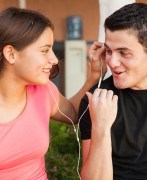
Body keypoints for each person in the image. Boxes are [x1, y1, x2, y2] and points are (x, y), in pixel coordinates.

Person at [0, 7, 118, 179]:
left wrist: (94, 76)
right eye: (44, 50)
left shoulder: (43, 90)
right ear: (11, 54)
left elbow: (73, 113)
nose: (54, 59)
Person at [79, 2, 147, 180]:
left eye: (123, 53)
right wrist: (101, 129)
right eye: (109, 51)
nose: (112, 62)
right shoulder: (96, 100)